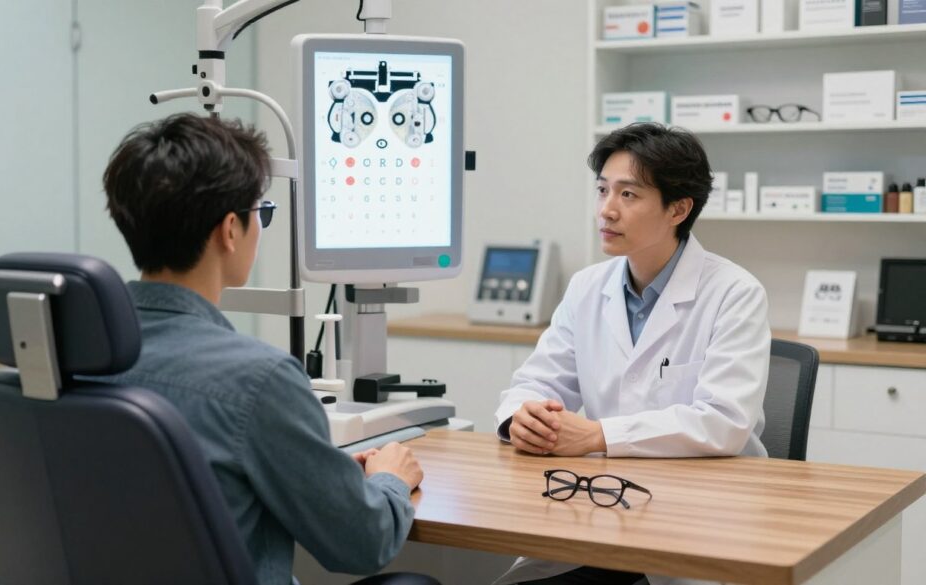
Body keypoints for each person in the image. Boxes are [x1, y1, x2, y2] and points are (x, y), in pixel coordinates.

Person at [98, 112, 427, 585]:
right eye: (260, 212)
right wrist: (390, 478)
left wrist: (324, 475)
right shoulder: (259, 380)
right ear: (230, 230)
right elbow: (362, 543)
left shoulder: (74, 359)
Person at [492, 123, 771, 585]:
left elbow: (724, 423)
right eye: (603, 190)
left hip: (701, 519)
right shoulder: (587, 287)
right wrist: (521, 418)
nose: (607, 209)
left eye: (628, 195)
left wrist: (598, 435)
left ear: (678, 208)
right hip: (602, 510)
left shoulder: (734, 293)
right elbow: (536, 382)